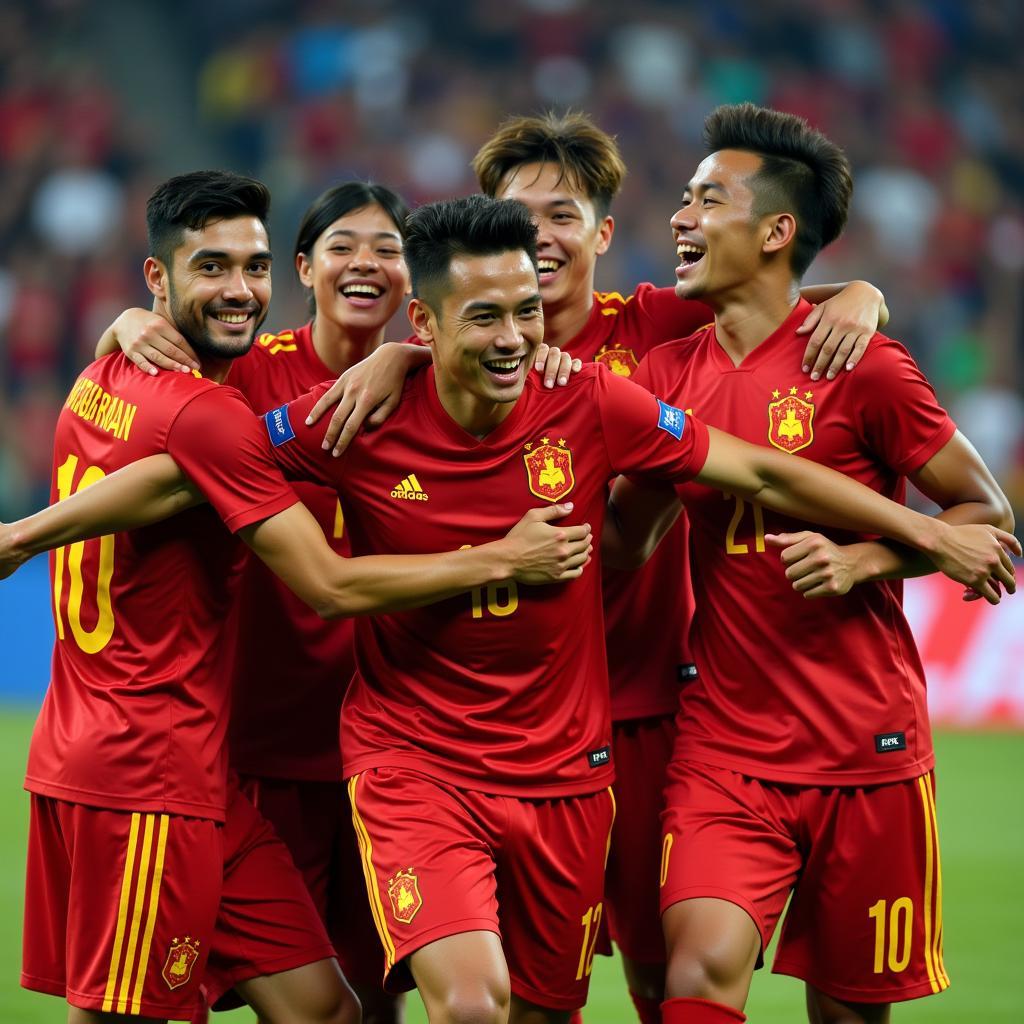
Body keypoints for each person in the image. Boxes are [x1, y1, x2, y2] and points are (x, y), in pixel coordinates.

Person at [9, 194, 1015, 1024]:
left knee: (514, 1009)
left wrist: (921, 535)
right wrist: (25, 533)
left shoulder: (588, 400)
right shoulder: (356, 412)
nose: (514, 337)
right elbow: (182, 476)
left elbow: (755, 460)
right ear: (426, 322)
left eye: (526, 311)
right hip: (407, 763)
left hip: (564, 775)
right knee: (468, 1002)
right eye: (483, 315)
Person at [7, 172, 593, 1024]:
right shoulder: (229, 402)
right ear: (308, 266)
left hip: (327, 762)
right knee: (127, 1010)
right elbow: (322, 579)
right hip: (164, 760)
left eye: (248, 268)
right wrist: (501, 558)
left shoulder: (107, 373)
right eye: (211, 267)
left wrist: (26, 531)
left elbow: (165, 481)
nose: (239, 288)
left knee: (331, 1006)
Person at [469, 110, 890, 1024]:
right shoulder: (451, 353)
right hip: (505, 727)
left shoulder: (658, 327)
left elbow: (772, 295)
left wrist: (859, 295)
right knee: (518, 993)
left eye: (562, 216)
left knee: (670, 981)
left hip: (649, 709)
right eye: (514, 219)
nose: (538, 238)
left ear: (603, 233)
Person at [604, 104, 1018, 1024]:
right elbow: (625, 542)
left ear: (777, 231)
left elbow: (985, 514)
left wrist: (867, 559)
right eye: (683, 198)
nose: (679, 217)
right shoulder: (667, 375)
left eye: (707, 199)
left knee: (848, 1013)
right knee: (699, 972)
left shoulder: (866, 368)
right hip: (726, 746)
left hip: (866, 747)